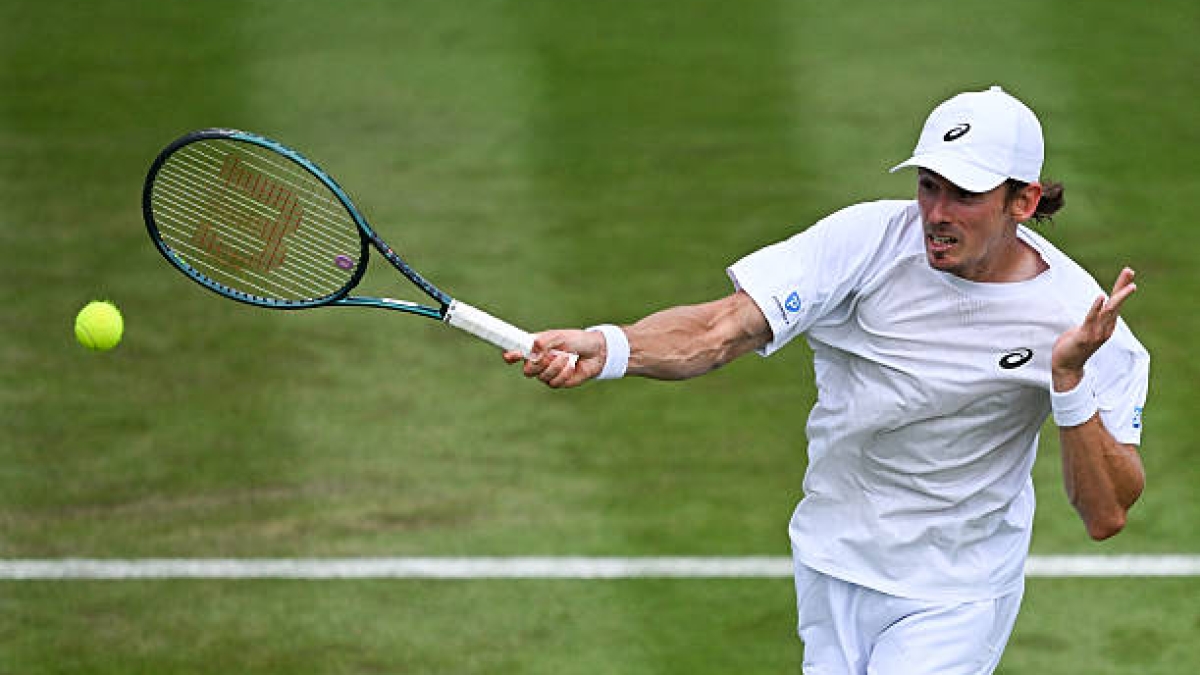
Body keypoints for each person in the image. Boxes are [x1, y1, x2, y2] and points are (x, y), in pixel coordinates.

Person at [504, 85, 1149, 674]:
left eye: (964, 194)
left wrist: (1068, 380)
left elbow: (1105, 513)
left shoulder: (1080, 320)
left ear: (1024, 201)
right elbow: (722, 329)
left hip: (957, 591)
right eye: (929, 185)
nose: (937, 212)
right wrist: (608, 345)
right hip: (832, 559)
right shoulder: (863, 241)